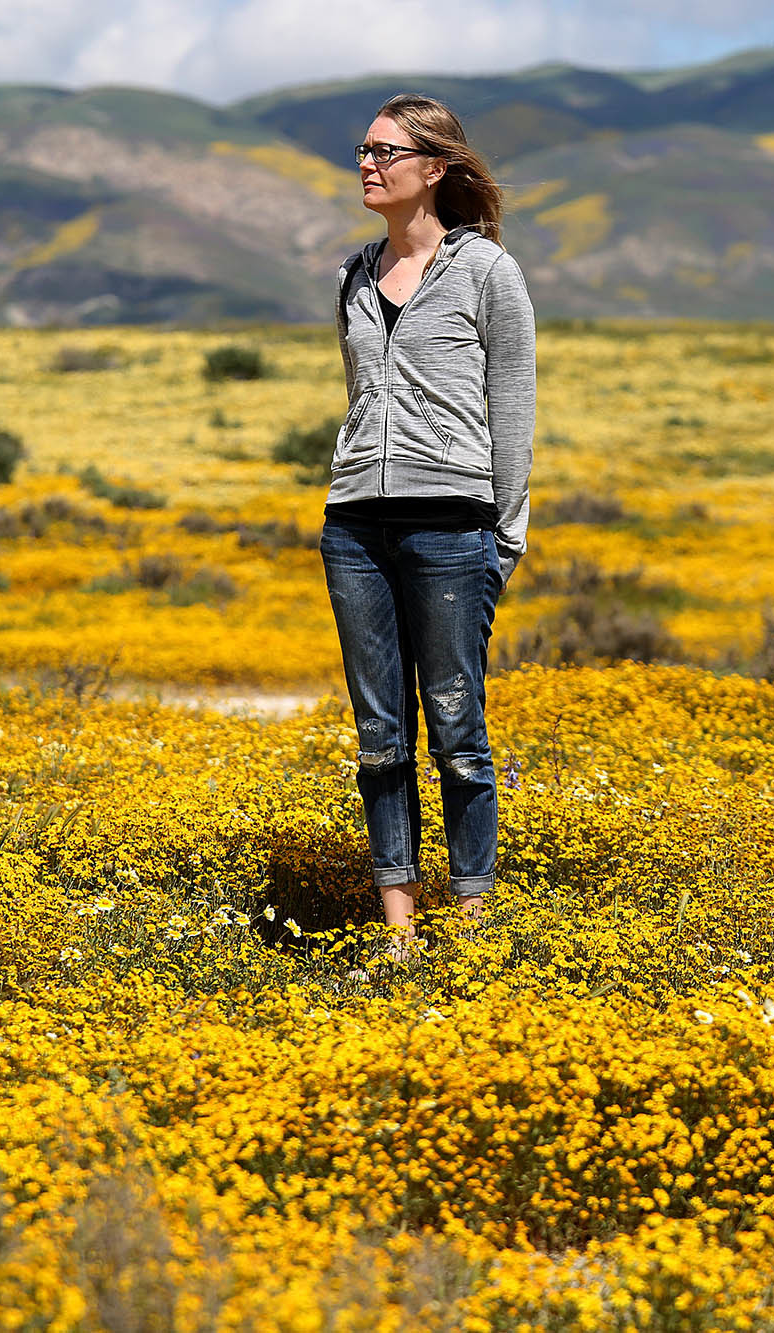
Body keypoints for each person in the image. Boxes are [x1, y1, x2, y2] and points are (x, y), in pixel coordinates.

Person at [321, 93, 536, 954]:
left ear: (434, 169)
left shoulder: (488, 274)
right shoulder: (351, 274)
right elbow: (359, 395)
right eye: (364, 150)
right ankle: (401, 937)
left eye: (385, 151)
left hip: (454, 525)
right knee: (379, 737)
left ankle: (475, 928)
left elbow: (512, 405)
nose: (367, 163)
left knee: (457, 729)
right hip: (354, 529)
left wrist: (505, 534)